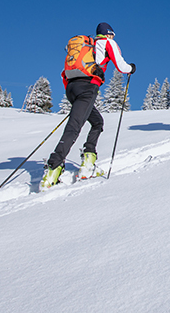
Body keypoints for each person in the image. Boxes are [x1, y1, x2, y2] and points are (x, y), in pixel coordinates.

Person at [40, 22, 136, 190]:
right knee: (74, 127)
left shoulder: (87, 46)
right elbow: (121, 66)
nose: (113, 37)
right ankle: (53, 167)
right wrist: (131, 69)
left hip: (72, 88)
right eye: (112, 34)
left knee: (97, 122)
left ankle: (88, 161)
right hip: (87, 88)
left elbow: (68, 72)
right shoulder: (107, 42)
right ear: (108, 33)